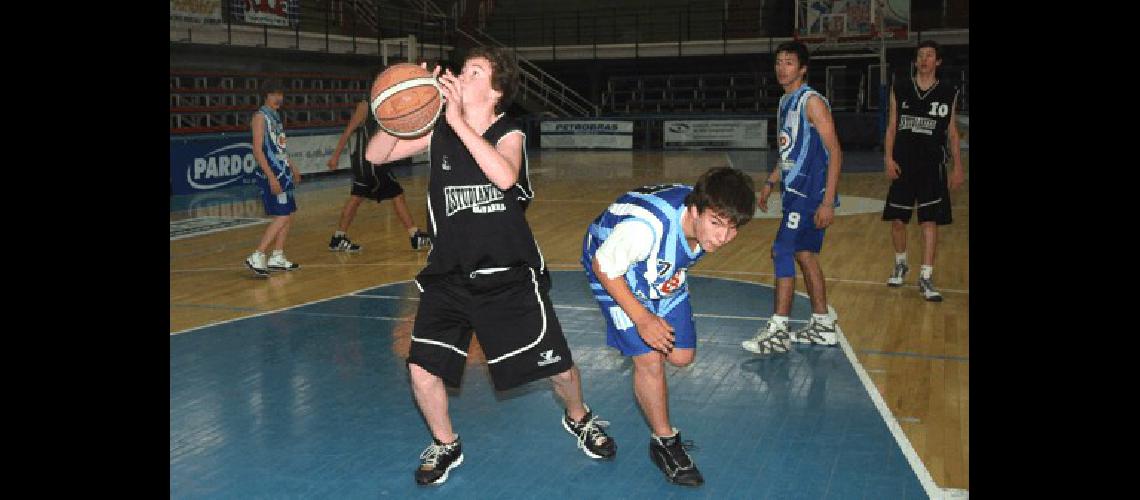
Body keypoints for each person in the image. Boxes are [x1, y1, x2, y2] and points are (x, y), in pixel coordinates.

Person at [362, 47, 616, 486]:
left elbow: (504, 177)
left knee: (559, 369)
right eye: (462, 69)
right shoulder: (438, 129)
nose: (462, 75)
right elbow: (376, 154)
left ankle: (579, 417)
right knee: (421, 369)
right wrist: (398, 102)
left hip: (509, 276)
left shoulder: (508, 130)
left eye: (474, 71)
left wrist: (457, 119)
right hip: (448, 276)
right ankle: (446, 443)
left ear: (496, 90)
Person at [581, 167, 756, 486]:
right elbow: (604, 266)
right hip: (612, 265)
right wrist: (643, 318)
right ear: (694, 210)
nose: (722, 237)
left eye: (732, 229)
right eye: (716, 224)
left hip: (658, 264)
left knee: (681, 356)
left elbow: (691, 240)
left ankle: (648, 362)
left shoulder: (709, 209)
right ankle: (665, 442)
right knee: (649, 358)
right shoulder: (644, 230)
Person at [741, 41, 843, 355]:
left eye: (788, 62)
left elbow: (835, 151)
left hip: (809, 195)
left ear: (802, 68)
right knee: (805, 254)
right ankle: (823, 324)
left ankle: (779, 329)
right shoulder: (786, 101)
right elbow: (789, 152)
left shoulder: (811, 102)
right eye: (778, 62)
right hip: (795, 192)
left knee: (781, 249)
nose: (781, 68)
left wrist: (827, 201)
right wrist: (772, 181)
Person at [881, 40, 964, 301]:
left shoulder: (949, 91)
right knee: (898, 220)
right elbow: (892, 125)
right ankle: (901, 262)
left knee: (929, 220)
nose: (924, 59)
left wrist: (958, 167)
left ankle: (926, 276)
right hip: (904, 163)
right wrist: (887, 157)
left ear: (938, 61)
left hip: (932, 166)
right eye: (920, 56)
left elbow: (952, 132)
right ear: (916, 61)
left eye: (929, 55)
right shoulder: (901, 87)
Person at [325, 88, 431, 253]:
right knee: (391, 195)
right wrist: (335, 156)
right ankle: (414, 235)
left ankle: (338, 237)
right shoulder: (365, 106)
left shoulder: (385, 106)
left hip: (376, 160)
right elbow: (348, 131)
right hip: (370, 162)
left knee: (363, 197)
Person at [245, 79, 301, 277]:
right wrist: (271, 177)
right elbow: (257, 150)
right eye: (274, 94)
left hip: (283, 171)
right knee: (283, 215)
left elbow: (280, 147)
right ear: (266, 96)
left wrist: (292, 166)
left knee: (290, 213)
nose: (279, 98)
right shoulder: (260, 117)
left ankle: (277, 255)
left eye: (281, 94)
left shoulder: (276, 116)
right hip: (272, 172)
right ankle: (258, 254)